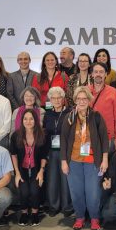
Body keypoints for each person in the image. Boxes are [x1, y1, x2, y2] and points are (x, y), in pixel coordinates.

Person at [60, 86, 109, 230]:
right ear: (75, 100)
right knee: (76, 192)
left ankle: (94, 218)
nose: (81, 101)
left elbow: (104, 139)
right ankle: (80, 217)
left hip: (92, 162)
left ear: (89, 100)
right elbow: (63, 139)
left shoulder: (97, 116)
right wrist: (63, 161)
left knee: (93, 192)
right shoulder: (69, 117)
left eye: (84, 98)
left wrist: (105, 159)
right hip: (73, 161)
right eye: (79, 99)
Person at [10, 109, 48, 226]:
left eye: (31, 119)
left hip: (37, 168)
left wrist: (41, 171)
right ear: (22, 121)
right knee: (24, 192)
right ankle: (24, 213)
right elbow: (14, 155)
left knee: (35, 191)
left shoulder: (42, 135)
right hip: (22, 169)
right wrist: (17, 172)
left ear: (35, 120)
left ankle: (35, 213)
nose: (28, 121)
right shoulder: (16, 135)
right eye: (25, 119)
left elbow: (43, 156)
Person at [43, 87, 72, 217]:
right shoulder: (47, 113)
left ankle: (66, 206)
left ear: (63, 98)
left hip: (65, 150)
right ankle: (54, 206)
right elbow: (45, 132)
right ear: (50, 99)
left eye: (59, 97)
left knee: (66, 178)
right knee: (52, 179)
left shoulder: (70, 112)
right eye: (53, 98)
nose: (56, 100)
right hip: (51, 150)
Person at [90, 62, 116, 155]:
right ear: (92, 74)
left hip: (108, 138)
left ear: (105, 74)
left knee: (107, 166)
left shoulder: (113, 91)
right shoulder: (85, 91)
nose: (98, 74)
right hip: (89, 137)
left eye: (101, 72)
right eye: (96, 72)